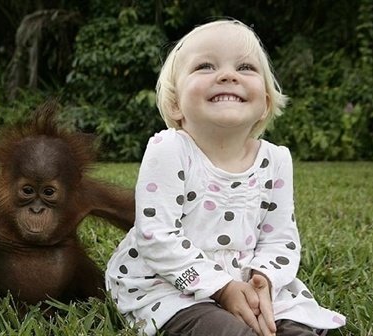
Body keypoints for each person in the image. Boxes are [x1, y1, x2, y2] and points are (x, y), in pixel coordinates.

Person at [105, 19, 346, 336]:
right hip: (170, 281)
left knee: (291, 322)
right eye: (205, 66)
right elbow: (156, 235)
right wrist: (219, 287)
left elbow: (280, 239)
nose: (228, 75)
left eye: (246, 67)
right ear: (176, 104)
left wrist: (264, 279)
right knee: (219, 328)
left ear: (265, 104)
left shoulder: (276, 160)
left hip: (245, 278)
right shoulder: (170, 149)